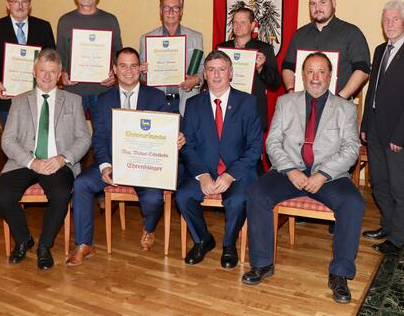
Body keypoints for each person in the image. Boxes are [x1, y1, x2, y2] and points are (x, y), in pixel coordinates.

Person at [242, 52, 364, 305]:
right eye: (310, 71)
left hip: (329, 175)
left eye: (321, 72)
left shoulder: (345, 108)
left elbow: (351, 149)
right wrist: (290, 170)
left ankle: (340, 273)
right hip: (290, 171)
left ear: (331, 76)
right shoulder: (286, 102)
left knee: (353, 203)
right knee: (256, 193)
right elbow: (273, 142)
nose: (315, 77)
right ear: (302, 76)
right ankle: (262, 264)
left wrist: (323, 174)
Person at [67, 48, 185, 265]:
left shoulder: (157, 97)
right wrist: (104, 166)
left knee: (153, 199)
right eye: (122, 65)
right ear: (114, 68)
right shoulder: (102, 100)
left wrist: (178, 136)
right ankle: (84, 243)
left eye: (133, 65)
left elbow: (172, 126)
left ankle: (149, 228)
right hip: (114, 163)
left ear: (140, 68)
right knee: (82, 184)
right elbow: (100, 137)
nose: (128, 71)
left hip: (147, 165)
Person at [0, 49, 91, 270]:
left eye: (52, 72)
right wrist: (32, 162)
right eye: (42, 71)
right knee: (3, 196)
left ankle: (44, 246)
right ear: (34, 71)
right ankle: (23, 239)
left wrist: (63, 158)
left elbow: (84, 138)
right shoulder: (19, 101)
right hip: (25, 161)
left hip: (59, 163)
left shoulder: (74, 101)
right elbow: (7, 140)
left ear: (59, 74)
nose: (47, 76)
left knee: (60, 194)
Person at [176, 50, 262, 269]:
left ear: (231, 73)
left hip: (238, 170)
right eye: (211, 70)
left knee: (237, 200)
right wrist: (203, 174)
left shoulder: (248, 102)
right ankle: (203, 239)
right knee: (183, 196)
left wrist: (230, 174)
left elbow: (255, 148)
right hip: (204, 168)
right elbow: (188, 146)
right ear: (204, 74)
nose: (216, 75)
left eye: (221, 69)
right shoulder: (194, 104)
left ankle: (229, 245)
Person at [360, 0, 404, 255]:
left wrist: (400, 135)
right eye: (386, 20)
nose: (389, 24)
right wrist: (365, 125)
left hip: (400, 134)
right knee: (379, 183)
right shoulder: (380, 50)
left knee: (399, 187)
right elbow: (372, 92)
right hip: (375, 130)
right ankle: (387, 226)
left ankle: (398, 238)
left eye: (395, 19)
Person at [56, 0, 123, 130]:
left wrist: (115, 76)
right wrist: (62, 76)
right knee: (71, 137)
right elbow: (60, 55)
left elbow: (118, 55)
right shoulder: (65, 21)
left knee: (104, 135)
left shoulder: (110, 20)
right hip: (73, 91)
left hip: (103, 91)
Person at [0, 0, 56, 125]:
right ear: (8, 4)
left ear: (30, 4)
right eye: (15, 1)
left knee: (37, 140)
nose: (20, 6)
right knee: (11, 142)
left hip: (38, 96)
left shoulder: (43, 27)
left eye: (24, 1)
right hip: (7, 98)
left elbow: (53, 59)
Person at [281, 0, 370, 99]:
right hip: (302, 105)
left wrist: (341, 98)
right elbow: (288, 66)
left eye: (323, 2)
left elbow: (362, 69)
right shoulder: (299, 35)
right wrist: (291, 90)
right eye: (313, 4)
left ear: (333, 3)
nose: (317, 8)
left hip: (338, 108)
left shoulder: (351, 33)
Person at [139, 0, 204, 115]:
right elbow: (142, 76)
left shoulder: (196, 37)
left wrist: (196, 80)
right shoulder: (146, 39)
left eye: (175, 8)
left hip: (187, 100)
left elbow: (202, 69)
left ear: (181, 11)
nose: (170, 12)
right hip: (158, 102)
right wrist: (142, 72)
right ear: (160, 11)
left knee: (186, 135)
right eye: (166, 7)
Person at [217, 7, 281, 131]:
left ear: (252, 26)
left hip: (253, 112)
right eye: (235, 22)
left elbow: (275, 84)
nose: (238, 26)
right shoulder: (222, 48)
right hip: (226, 109)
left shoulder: (265, 49)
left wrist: (262, 68)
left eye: (243, 22)